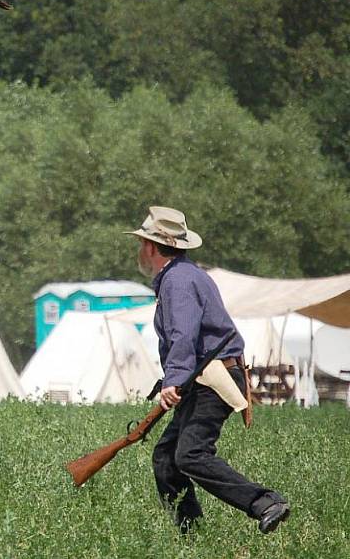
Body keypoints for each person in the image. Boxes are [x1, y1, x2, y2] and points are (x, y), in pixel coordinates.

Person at [126, 206, 290, 534]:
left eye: (142, 243)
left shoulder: (178, 280)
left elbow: (183, 334)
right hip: (200, 377)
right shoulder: (182, 275)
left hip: (210, 378)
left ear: (151, 247)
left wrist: (172, 380)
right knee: (167, 458)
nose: (140, 250)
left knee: (189, 454)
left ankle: (265, 503)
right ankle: (195, 540)